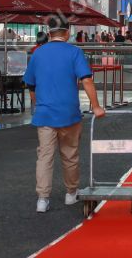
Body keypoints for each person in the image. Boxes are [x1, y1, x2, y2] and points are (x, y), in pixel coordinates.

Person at [23, 16, 105, 213]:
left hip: (44, 115)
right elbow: (86, 80)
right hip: (69, 113)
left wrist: (39, 105)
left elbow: (30, 85)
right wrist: (96, 106)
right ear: (68, 33)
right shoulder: (74, 52)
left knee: (45, 156)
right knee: (70, 154)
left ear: (49, 33)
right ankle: (70, 193)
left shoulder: (38, 53)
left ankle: (42, 199)